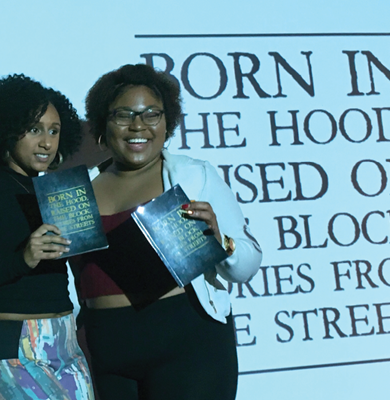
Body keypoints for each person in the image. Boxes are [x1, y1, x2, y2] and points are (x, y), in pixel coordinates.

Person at [77, 64, 262, 400]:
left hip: (188, 345)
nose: (138, 125)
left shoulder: (194, 176)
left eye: (151, 114)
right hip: (107, 351)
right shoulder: (80, 189)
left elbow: (247, 266)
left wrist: (221, 242)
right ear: (104, 122)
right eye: (124, 114)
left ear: (167, 122)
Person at [0, 74, 94, 400]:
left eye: (54, 131)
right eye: (34, 129)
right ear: (6, 129)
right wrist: (23, 258)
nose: (46, 142)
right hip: (10, 340)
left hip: (64, 337)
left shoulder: (57, 192)